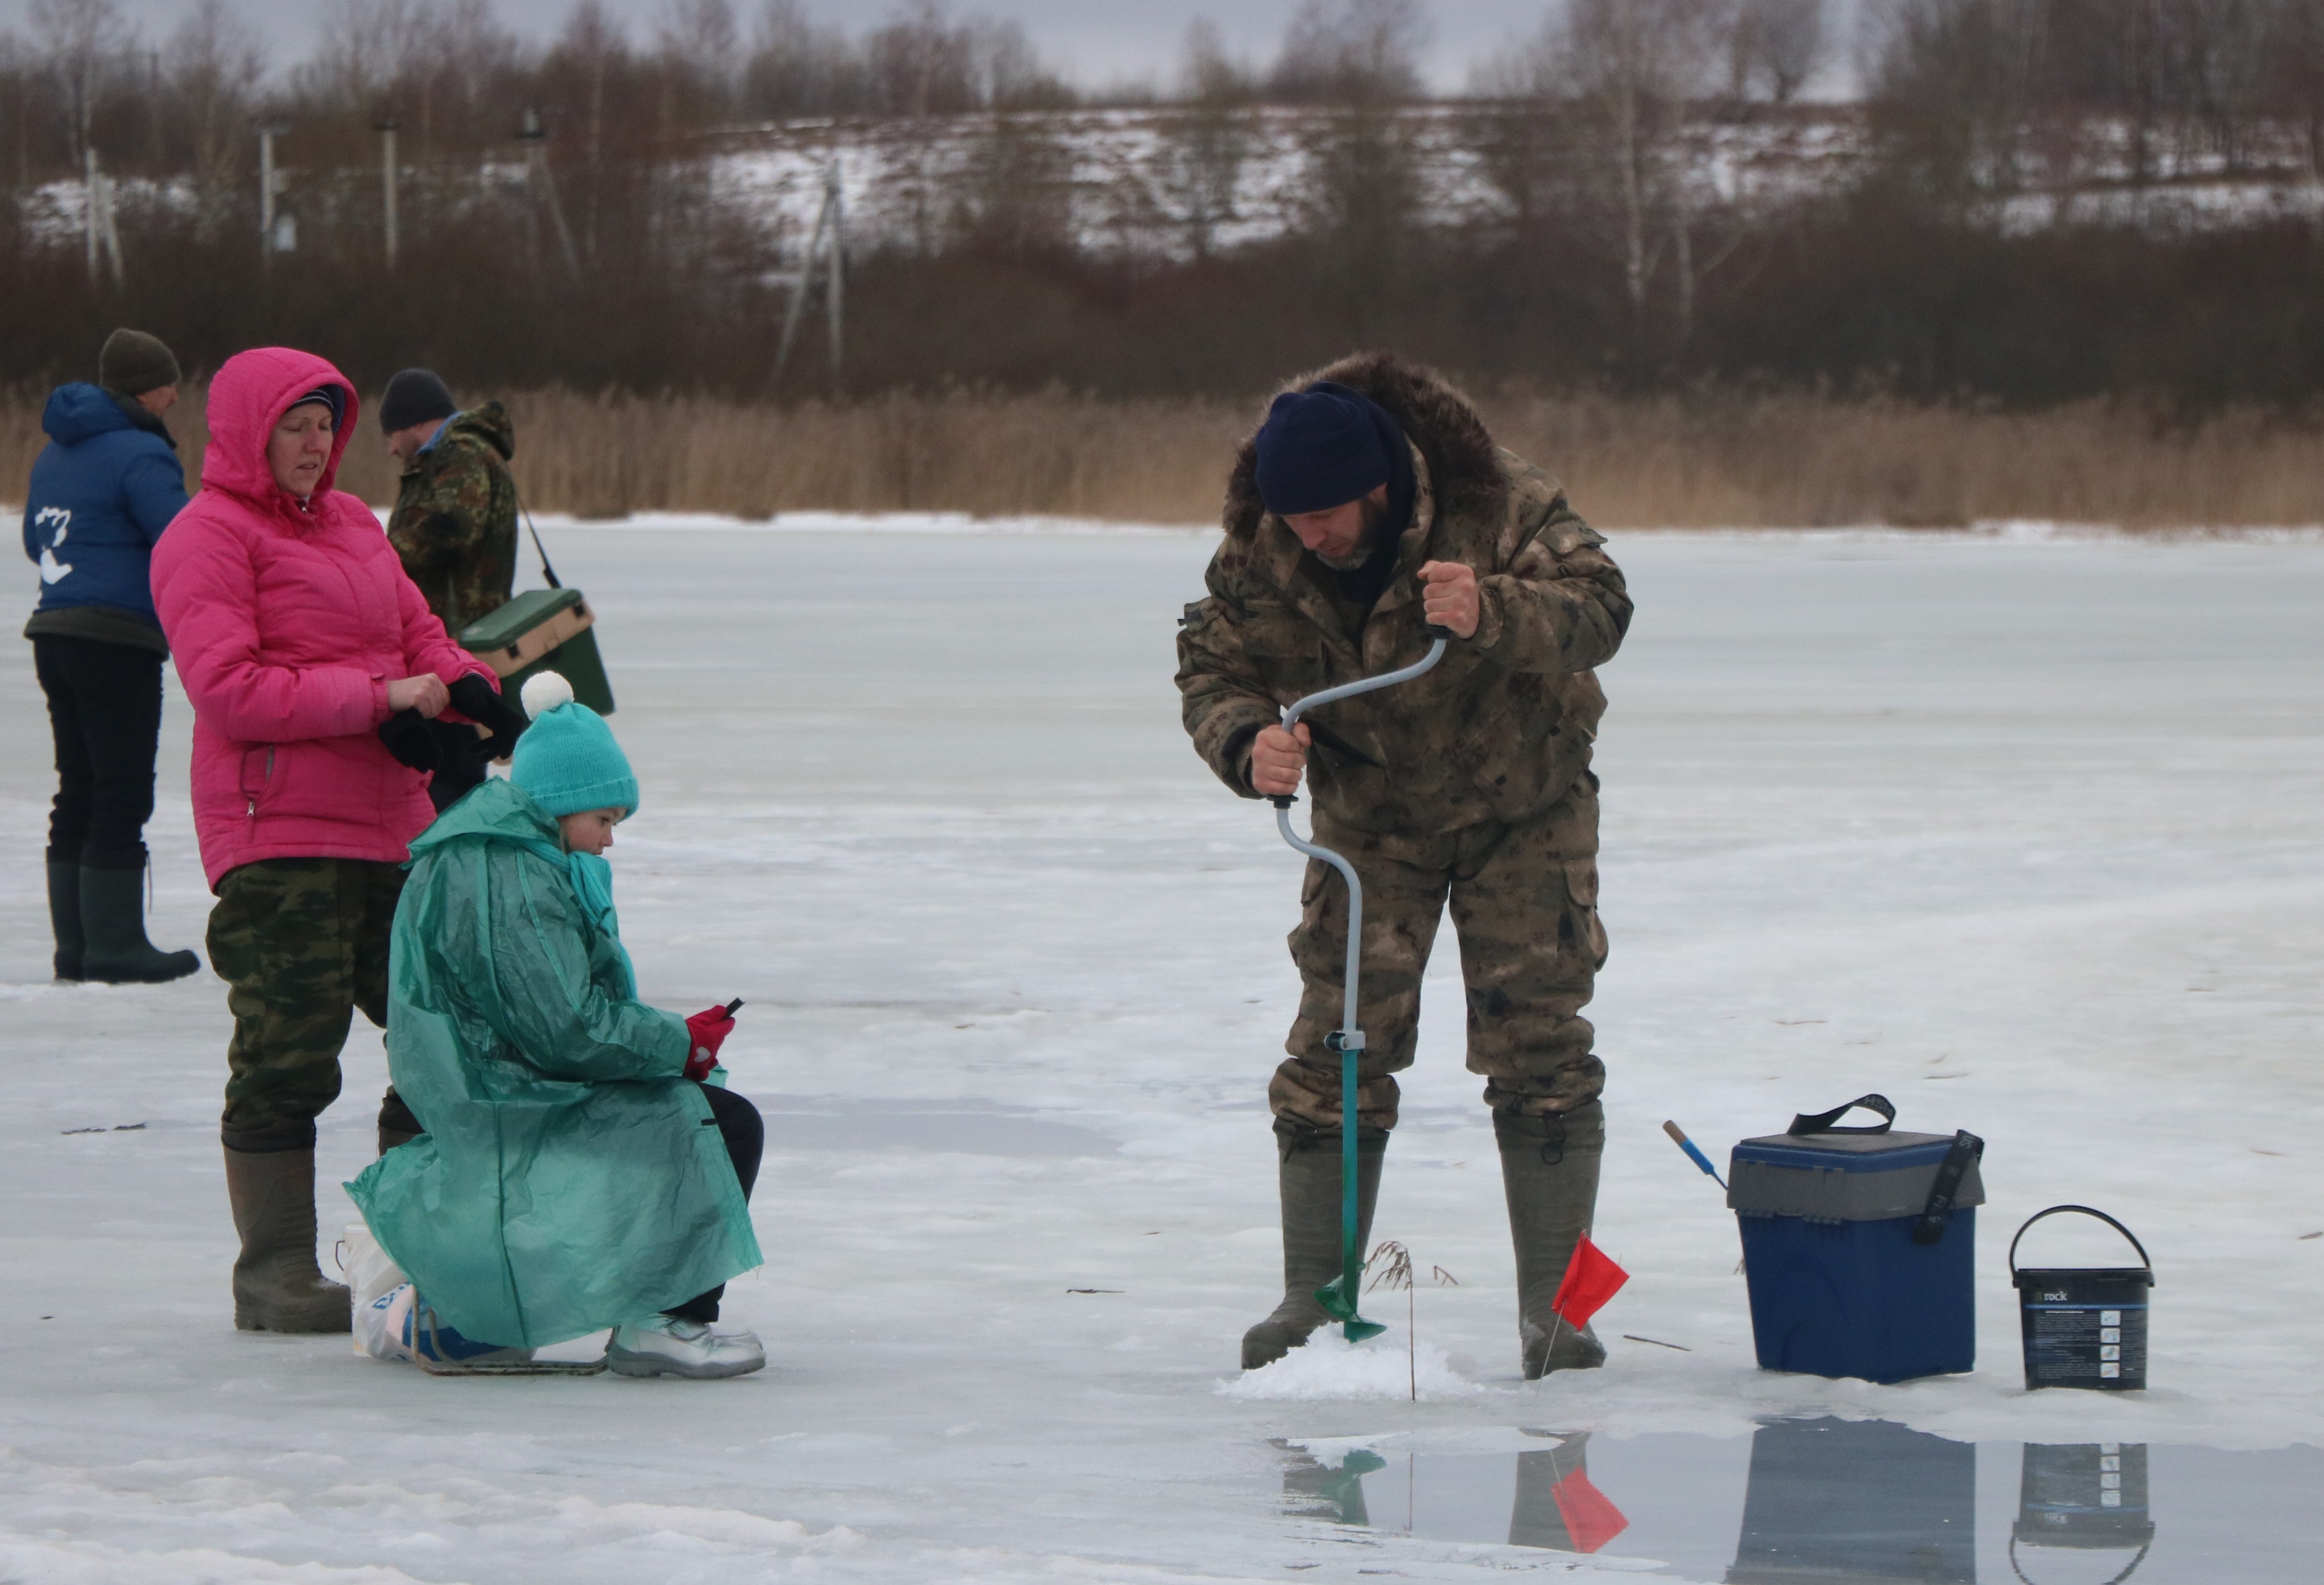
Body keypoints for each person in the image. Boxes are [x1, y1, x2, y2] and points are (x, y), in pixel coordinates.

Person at [1174, 353, 1633, 1379]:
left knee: (1541, 1049)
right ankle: (1312, 1299)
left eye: (1326, 516)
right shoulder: (1261, 547)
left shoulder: (1498, 501)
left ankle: (1555, 1314)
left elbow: (1602, 609)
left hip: (1523, 804)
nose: (1311, 537)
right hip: (1370, 819)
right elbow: (1211, 664)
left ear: (1378, 485)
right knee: (1336, 1046)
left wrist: (1492, 610)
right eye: (1291, 520)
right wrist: (1247, 740)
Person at [150, 346, 529, 1335]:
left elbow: (420, 636)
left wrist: (469, 686)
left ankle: (414, 1242)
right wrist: (379, 700)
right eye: (295, 425)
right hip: (277, 832)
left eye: (326, 423)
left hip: (391, 826)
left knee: (439, 1026)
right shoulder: (206, 537)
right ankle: (273, 1268)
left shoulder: (360, 525)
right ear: (247, 432)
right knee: (291, 1041)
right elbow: (228, 688)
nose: (317, 444)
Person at [347, 671, 767, 1380]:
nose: (608, 841)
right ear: (563, 801)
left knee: (689, 1111)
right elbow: (565, 1029)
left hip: (499, 1083)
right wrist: (679, 1043)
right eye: (604, 819)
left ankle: (620, 1312)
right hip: (508, 1096)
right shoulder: (508, 870)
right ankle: (658, 1318)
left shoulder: (510, 853)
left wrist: (673, 1042)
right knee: (719, 1122)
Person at [20, 328, 199, 983]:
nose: (175, 395)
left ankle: (76, 948)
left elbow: (34, 544)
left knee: (79, 787)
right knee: (121, 789)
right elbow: (182, 538)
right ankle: (117, 944)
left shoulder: (53, 453)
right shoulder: (142, 452)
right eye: (167, 383)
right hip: (115, 639)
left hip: (54, 629)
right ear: (143, 388)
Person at [379, 369, 520, 813]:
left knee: (449, 778)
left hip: (454, 638)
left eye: (392, 434)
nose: (391, 448)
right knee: (448, 772)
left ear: (413, 422)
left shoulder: (461, 453)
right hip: (450, 639)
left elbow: (454, 529)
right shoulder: (458, 452)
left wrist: (376, 558)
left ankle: (441, 872)